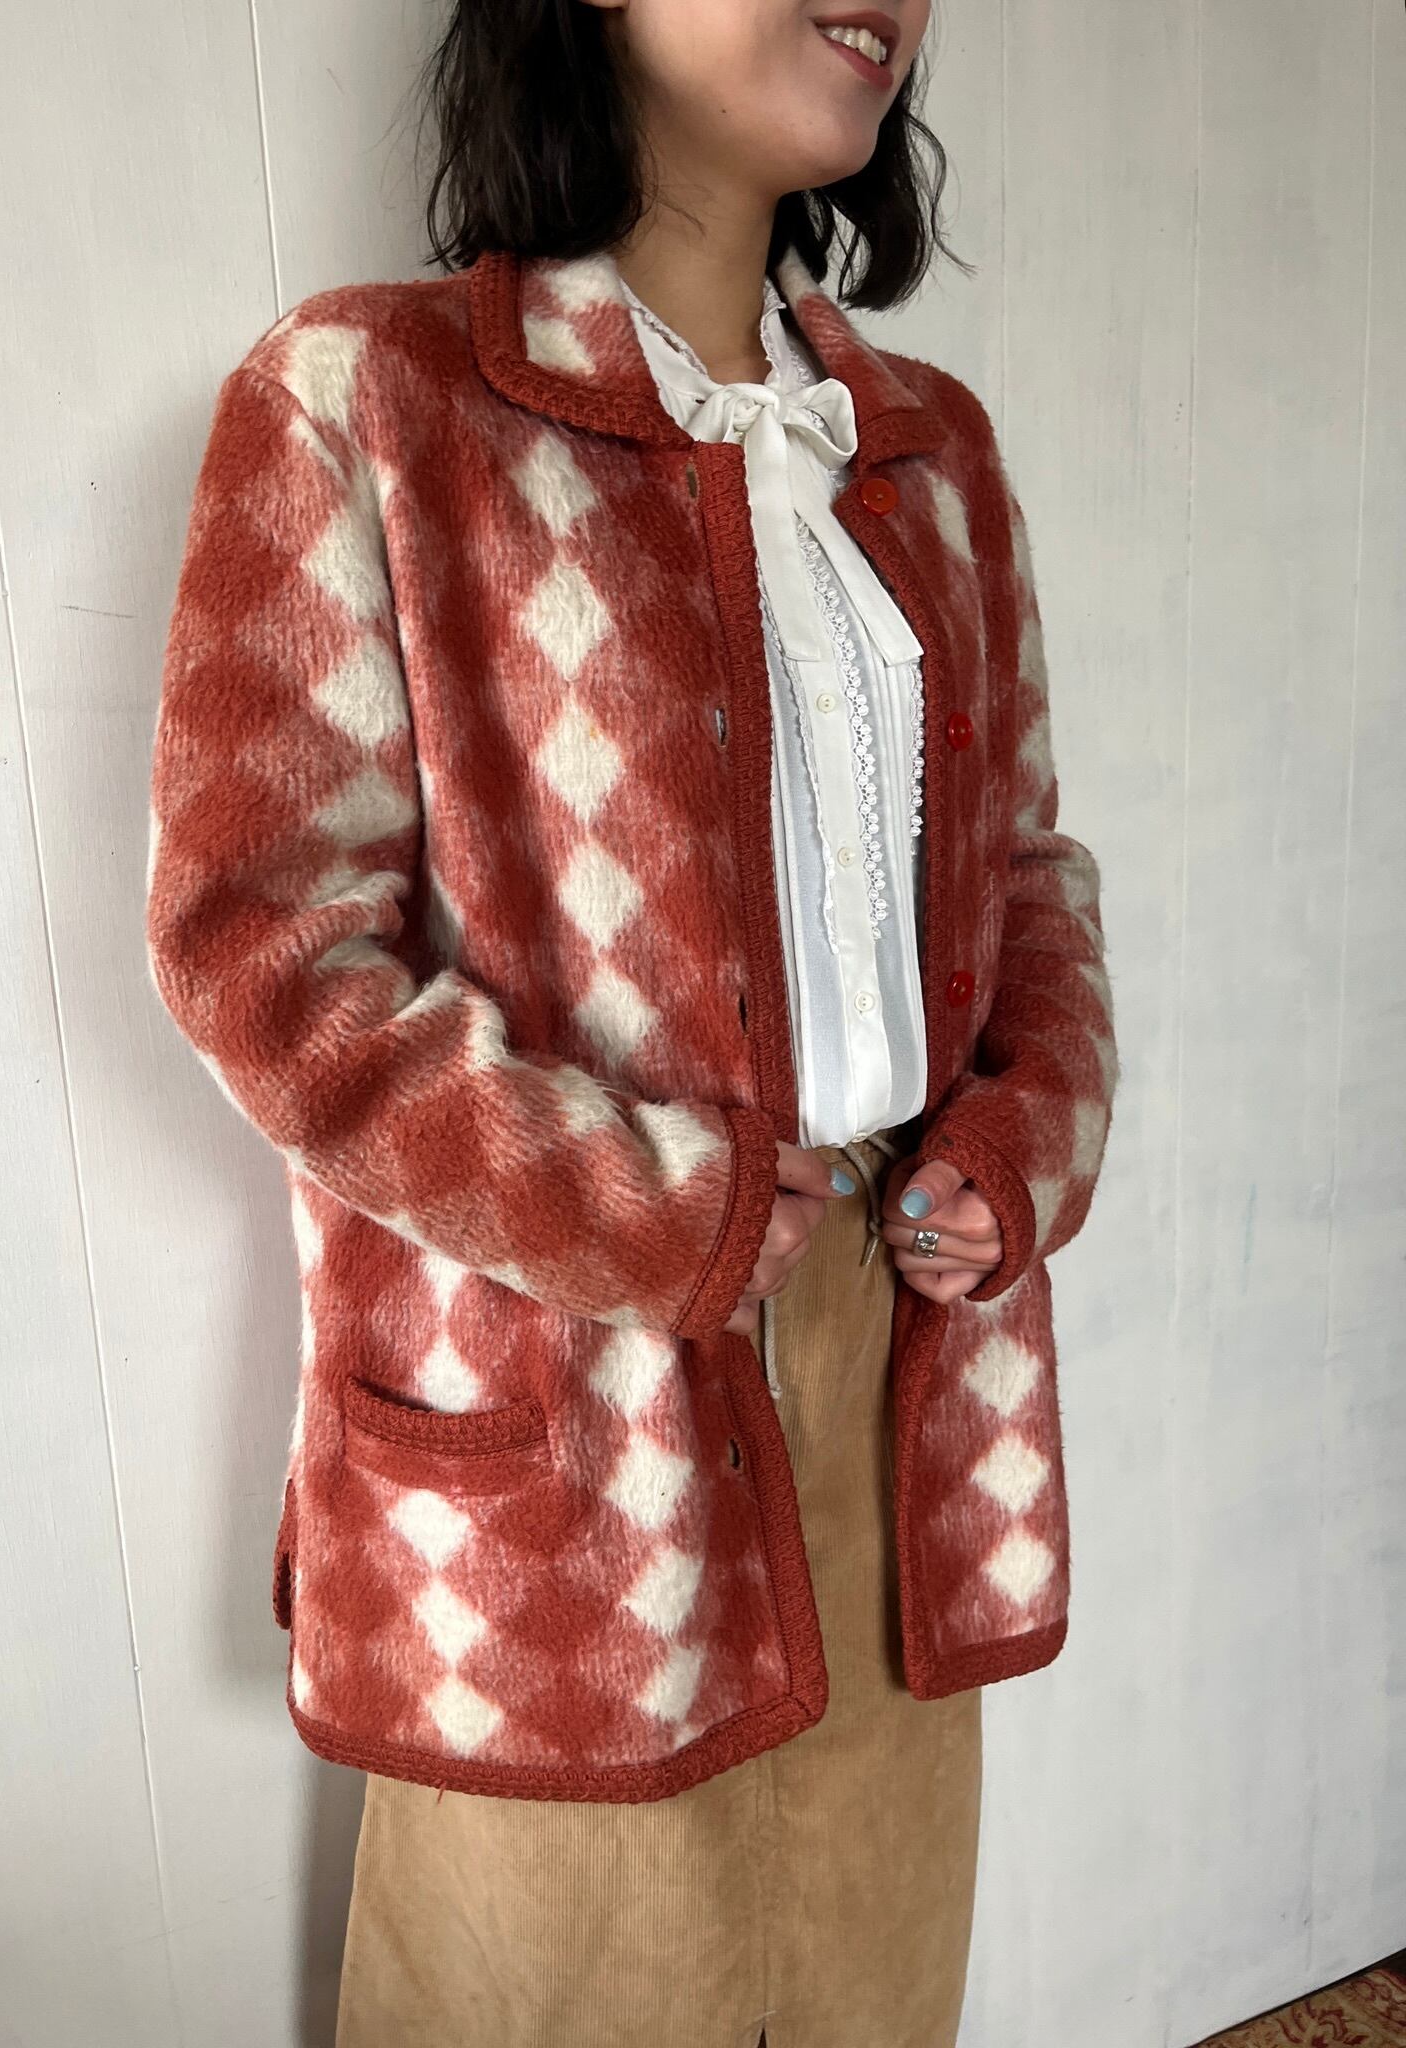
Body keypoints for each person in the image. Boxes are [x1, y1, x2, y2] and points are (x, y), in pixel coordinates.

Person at [144, 1, 1118, 2042]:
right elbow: (264, 953)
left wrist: (1027, 1140)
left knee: (868, 1989)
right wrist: (650, 1209)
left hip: (902, 1377)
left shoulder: (928, 453)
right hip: (562, 1436)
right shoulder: (370, 401)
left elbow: (1031, 873)